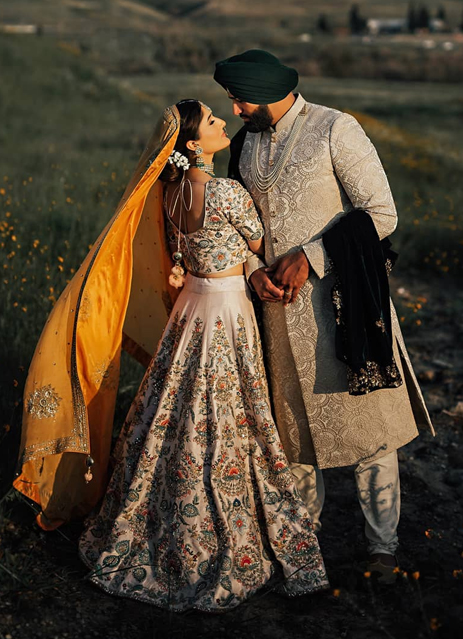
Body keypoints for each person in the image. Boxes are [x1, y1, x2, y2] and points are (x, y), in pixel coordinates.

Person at [14, 100, 328, 612]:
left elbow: (187, 253)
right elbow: (257, 241)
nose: (223, 122)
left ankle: (148, 515)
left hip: (189, 313)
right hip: (226, 315)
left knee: (170, 410)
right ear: (191, 144)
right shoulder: (227, 191)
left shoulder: (171, 193)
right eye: (210, 122)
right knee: (226, 413)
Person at [214, 50, 434, 584]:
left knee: (369, 433)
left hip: (343, 306)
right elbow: (238, 222)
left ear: (266, 91)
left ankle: (382, 549)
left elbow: (381, 214)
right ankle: (302, 540)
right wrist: (250, 271)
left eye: (240, 97)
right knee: (292, 435)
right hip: (274, 315)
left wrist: (309, 257)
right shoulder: (243, 145)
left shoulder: (337, 128)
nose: (236, 109)